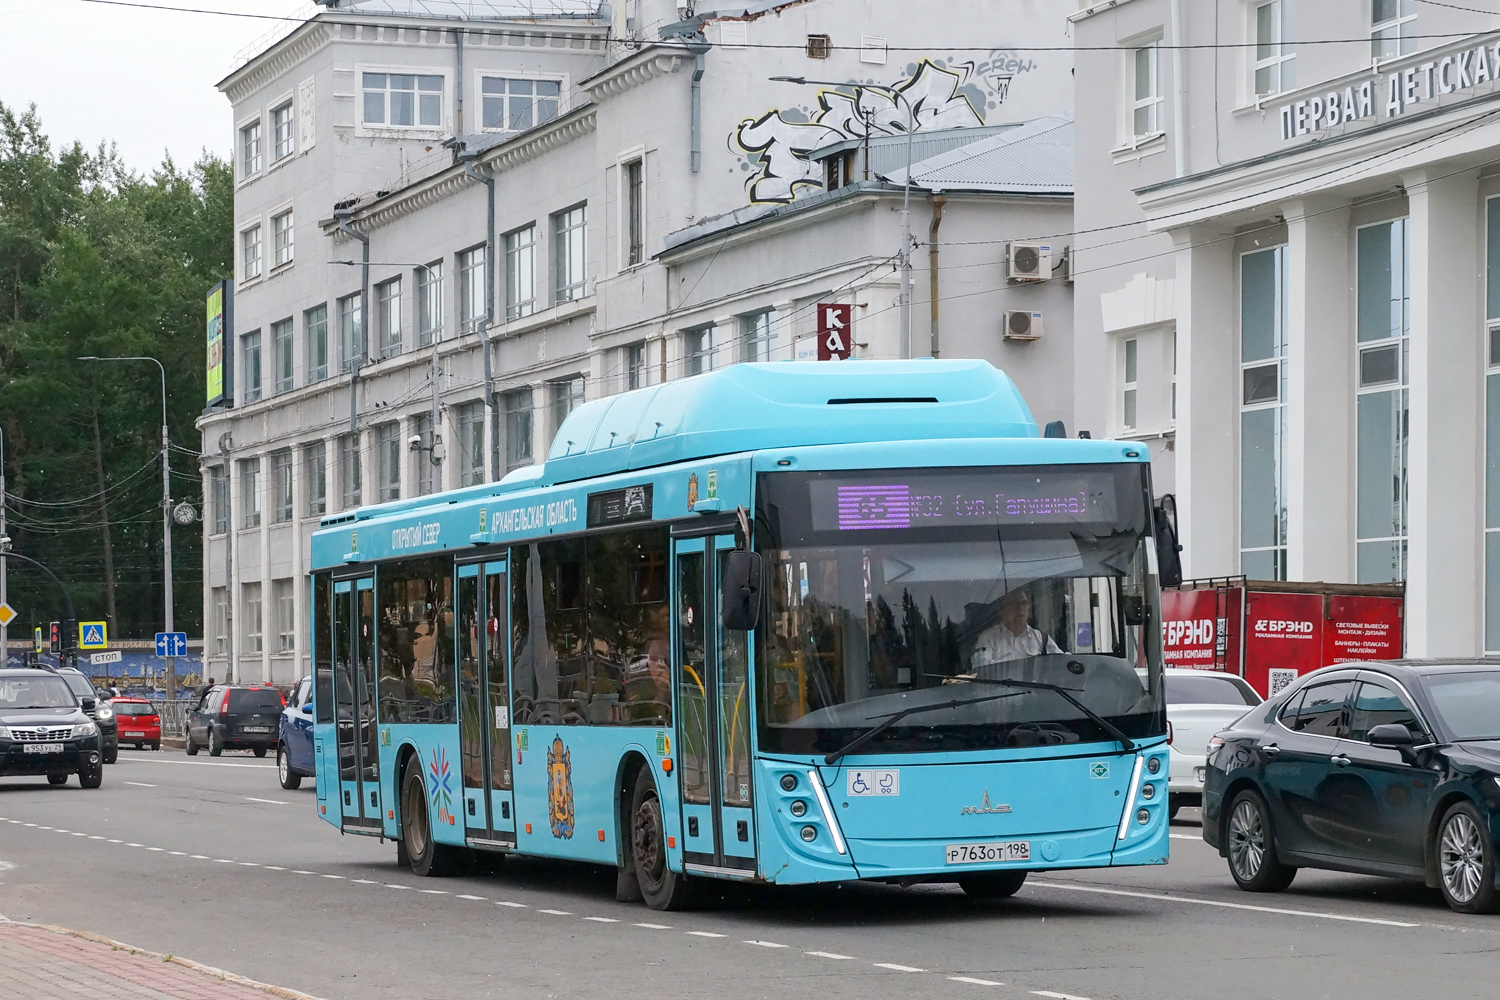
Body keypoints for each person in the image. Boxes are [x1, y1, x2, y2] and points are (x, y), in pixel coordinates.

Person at [970, 588, 1061, 668]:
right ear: (1002, 610)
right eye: (1013, 605)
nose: (1020, 609)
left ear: (1029, 607)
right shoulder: (988, 638)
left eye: (1024, 603)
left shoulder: (1041, 638)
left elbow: (1061, 662)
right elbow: (980, 667)